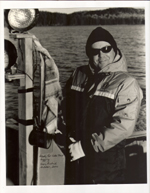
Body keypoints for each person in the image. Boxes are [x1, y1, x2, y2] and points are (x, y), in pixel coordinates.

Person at [55, 26, 143, 184]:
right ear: (89, 54)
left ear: (114, 50)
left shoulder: (126, 83)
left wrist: (85, 147)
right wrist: (57, 127)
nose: (101, 55)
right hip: (73, 157)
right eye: (95, 51)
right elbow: (63, 105)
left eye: (106, 49)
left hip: (106, 166)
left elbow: (123, 126)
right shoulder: (78, 74)